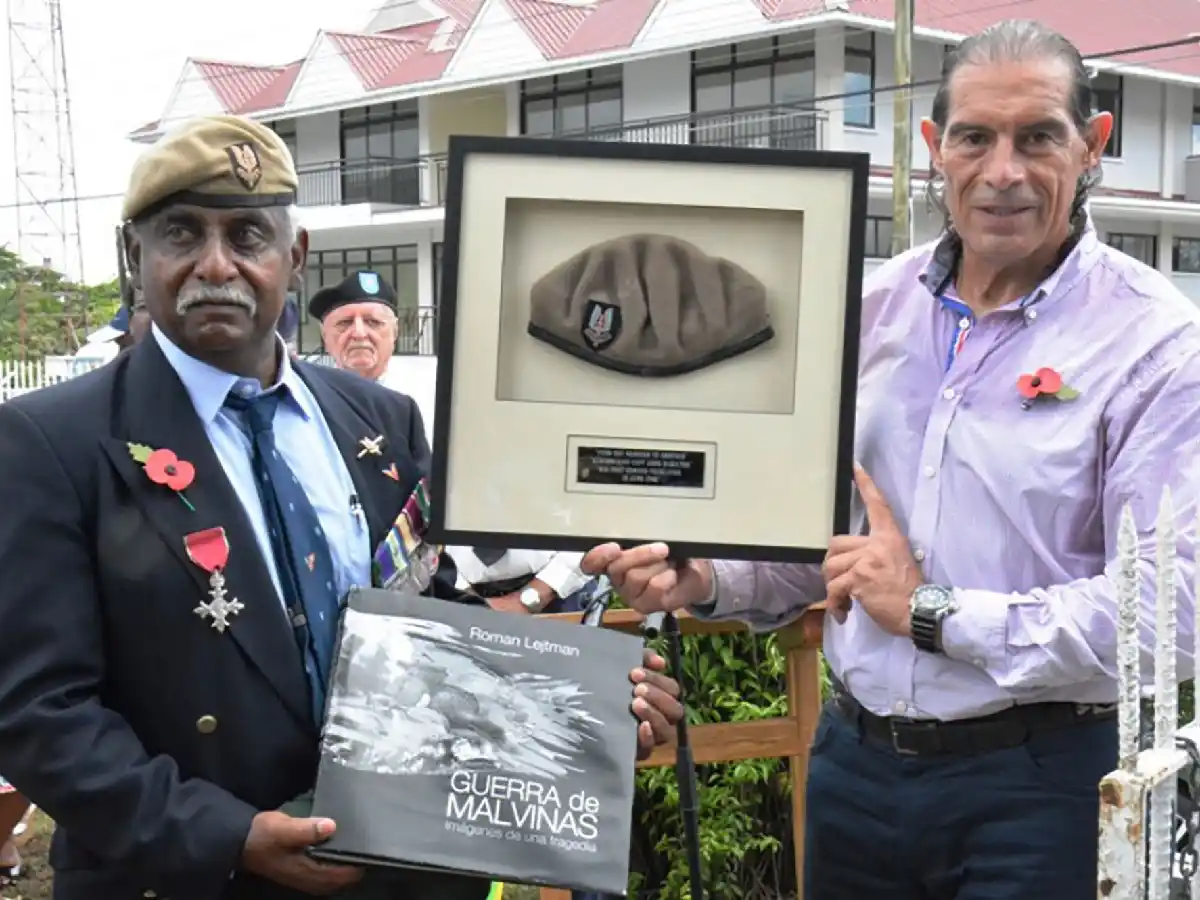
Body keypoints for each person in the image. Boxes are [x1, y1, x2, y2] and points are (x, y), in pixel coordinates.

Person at [583, 19, 1200, 900]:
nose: (1003, 172)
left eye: (1039, 138)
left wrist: (933, 612)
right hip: (854, 770)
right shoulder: (866, 309)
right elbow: (824, 540)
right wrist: (708, 574)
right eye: (975, 138)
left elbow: (1171, 607)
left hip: (1042, 788)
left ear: (1093, 147)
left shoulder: (1155, 341)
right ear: (932, 149)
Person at [0, 113, 683, 900]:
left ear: (294, 258)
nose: (215, 264)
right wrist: (229, 837)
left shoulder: (381, 423)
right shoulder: (53, 442)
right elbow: (35, 709)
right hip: (190, 874)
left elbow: (425, 620)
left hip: (400, 869)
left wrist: (583, 715)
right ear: (135, 255)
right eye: (181, 234)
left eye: (248, 236)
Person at [309, 271, 400, 382]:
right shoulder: (307, 396)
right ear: (325, 336)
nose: (359, 334)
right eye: (345, 323)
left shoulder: (420, 396)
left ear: (394, 332)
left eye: (373, 322)